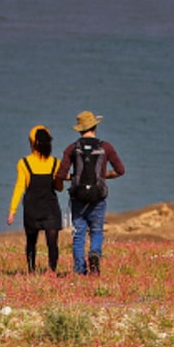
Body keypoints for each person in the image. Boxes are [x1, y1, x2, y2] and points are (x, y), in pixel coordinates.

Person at [55, 110, 125, 275]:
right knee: (97, 231)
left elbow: (59, 174)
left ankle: (80, 270)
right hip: (98, 196)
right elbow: (120, 170)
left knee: (79, 234)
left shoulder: (72, 148)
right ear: (95, 127)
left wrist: (73, 177)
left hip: (78, 197)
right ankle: (94, 253)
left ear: (79, 129)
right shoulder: (106, 147)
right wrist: (103, 175)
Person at [7, 125, 64, 273]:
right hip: (51, 209)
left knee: (31, 242)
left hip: (32, 208)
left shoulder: (23, 163)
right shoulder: (55, 163)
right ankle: (52, 271)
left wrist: (12, 211)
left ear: (32, 143)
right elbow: (59, 188)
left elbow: (20, 186)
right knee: (52, 243)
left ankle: (31, 270)